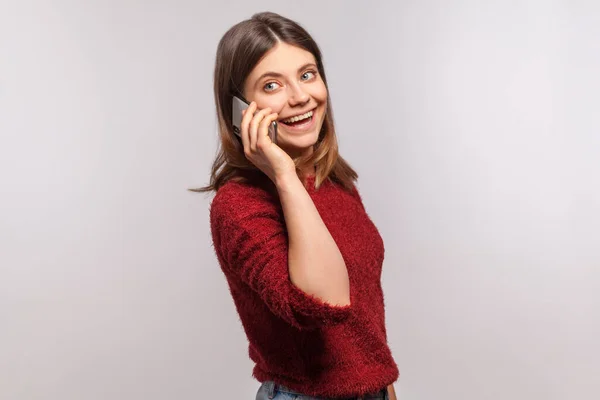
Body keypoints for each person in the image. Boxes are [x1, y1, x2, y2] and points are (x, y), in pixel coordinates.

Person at [195, 11, 399, 399]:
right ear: (240, 110)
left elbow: (364, 322)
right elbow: (326, 302)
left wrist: (386, 389)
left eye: (307, 74)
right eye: (272, 85)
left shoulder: (333, 182)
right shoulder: (238, 205)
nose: (301, 96)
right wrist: (283, 175)